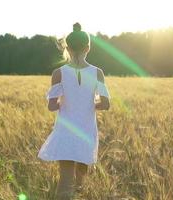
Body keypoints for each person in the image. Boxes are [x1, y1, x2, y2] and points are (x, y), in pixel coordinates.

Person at [37, 22, 111, 200]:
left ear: (67, 48)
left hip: (65, 132)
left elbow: (52, 106)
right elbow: (106, 104)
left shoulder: (58, 73)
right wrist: (90, 104)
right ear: (88, 48)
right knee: (80, 182)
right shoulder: (97, 72)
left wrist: (64, 101)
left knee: (65, 180)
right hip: (86, 131)